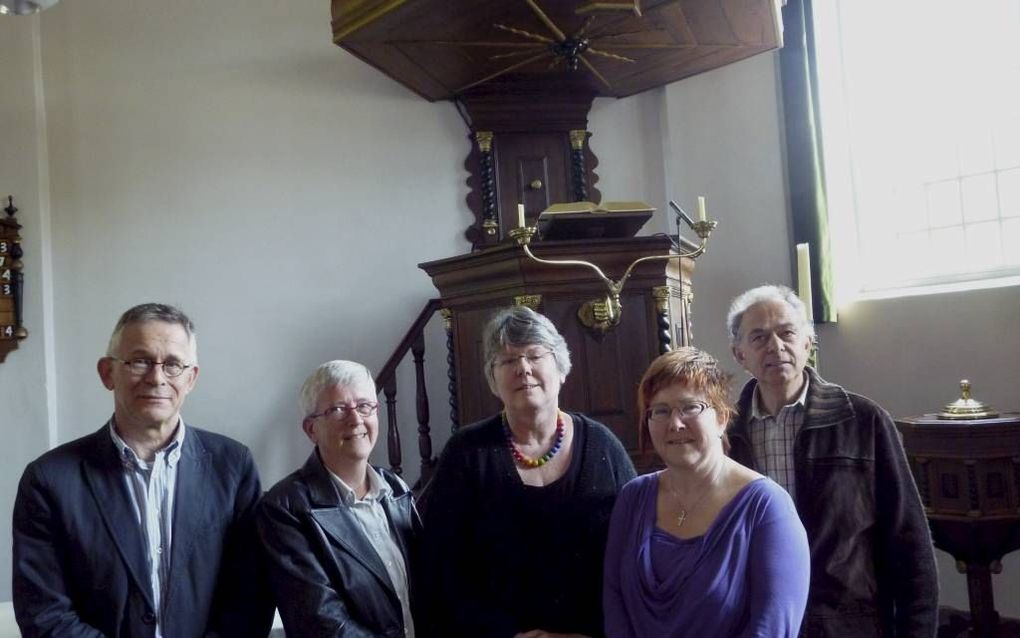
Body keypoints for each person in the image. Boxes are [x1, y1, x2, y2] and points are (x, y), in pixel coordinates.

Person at [12, 302, 273, 638]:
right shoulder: (49, 479)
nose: (156, 377)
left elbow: (250, 596)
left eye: (174, 365)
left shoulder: (233, 466)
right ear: (107, 373)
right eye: (139, 361)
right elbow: (43, 612)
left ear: (191, 378)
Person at [726, 284, 938, 636]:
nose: (775, 346)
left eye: (787, 332)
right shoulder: (725, 433)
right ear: (740, 355)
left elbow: (909, 540)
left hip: (847, 621)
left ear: (808, 343)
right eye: (759, 337)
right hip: (758, 620)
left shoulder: (862, 420)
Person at [422, 306, 636, 638]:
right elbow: (442, 570)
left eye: (535, 356)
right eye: (507, 361)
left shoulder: (602, 446)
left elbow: (632, 556)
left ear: (561, 368)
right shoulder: (466, 454)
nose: (523, 368)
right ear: (493, 381)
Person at [604, 347, 810, 637]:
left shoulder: (768, 508)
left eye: (690, 407)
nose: (675, 423)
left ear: (722, 418)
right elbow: (614, 604)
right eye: (660, 411)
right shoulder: (633, 497)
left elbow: (771, 629)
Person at [257, 360, 421, 637]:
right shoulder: (285, 507)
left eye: (364, 406)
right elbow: (320, 621)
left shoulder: (395, 488)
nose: (355, 419)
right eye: (337, 409)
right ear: (311, 429)